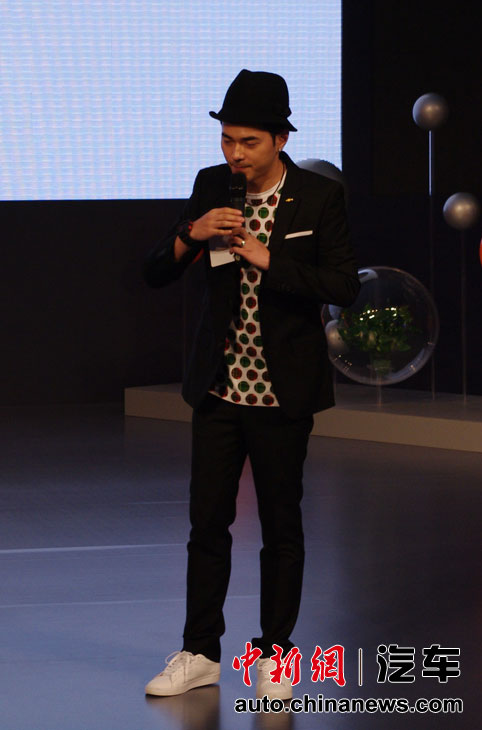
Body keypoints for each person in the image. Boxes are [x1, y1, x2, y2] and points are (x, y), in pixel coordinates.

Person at [143, 69, 360, 699]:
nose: (234, 153)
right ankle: (200, 652)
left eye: (248, 142)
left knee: (280, 527)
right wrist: (191, 234)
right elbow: (155, 272)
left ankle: (276, 658)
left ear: (280, 140)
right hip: (219, 388)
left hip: (281, 392)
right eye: (227, 139)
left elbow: (343, 286)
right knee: (207, 525)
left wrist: (270, 260)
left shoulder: (318, 198)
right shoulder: (213, 186)